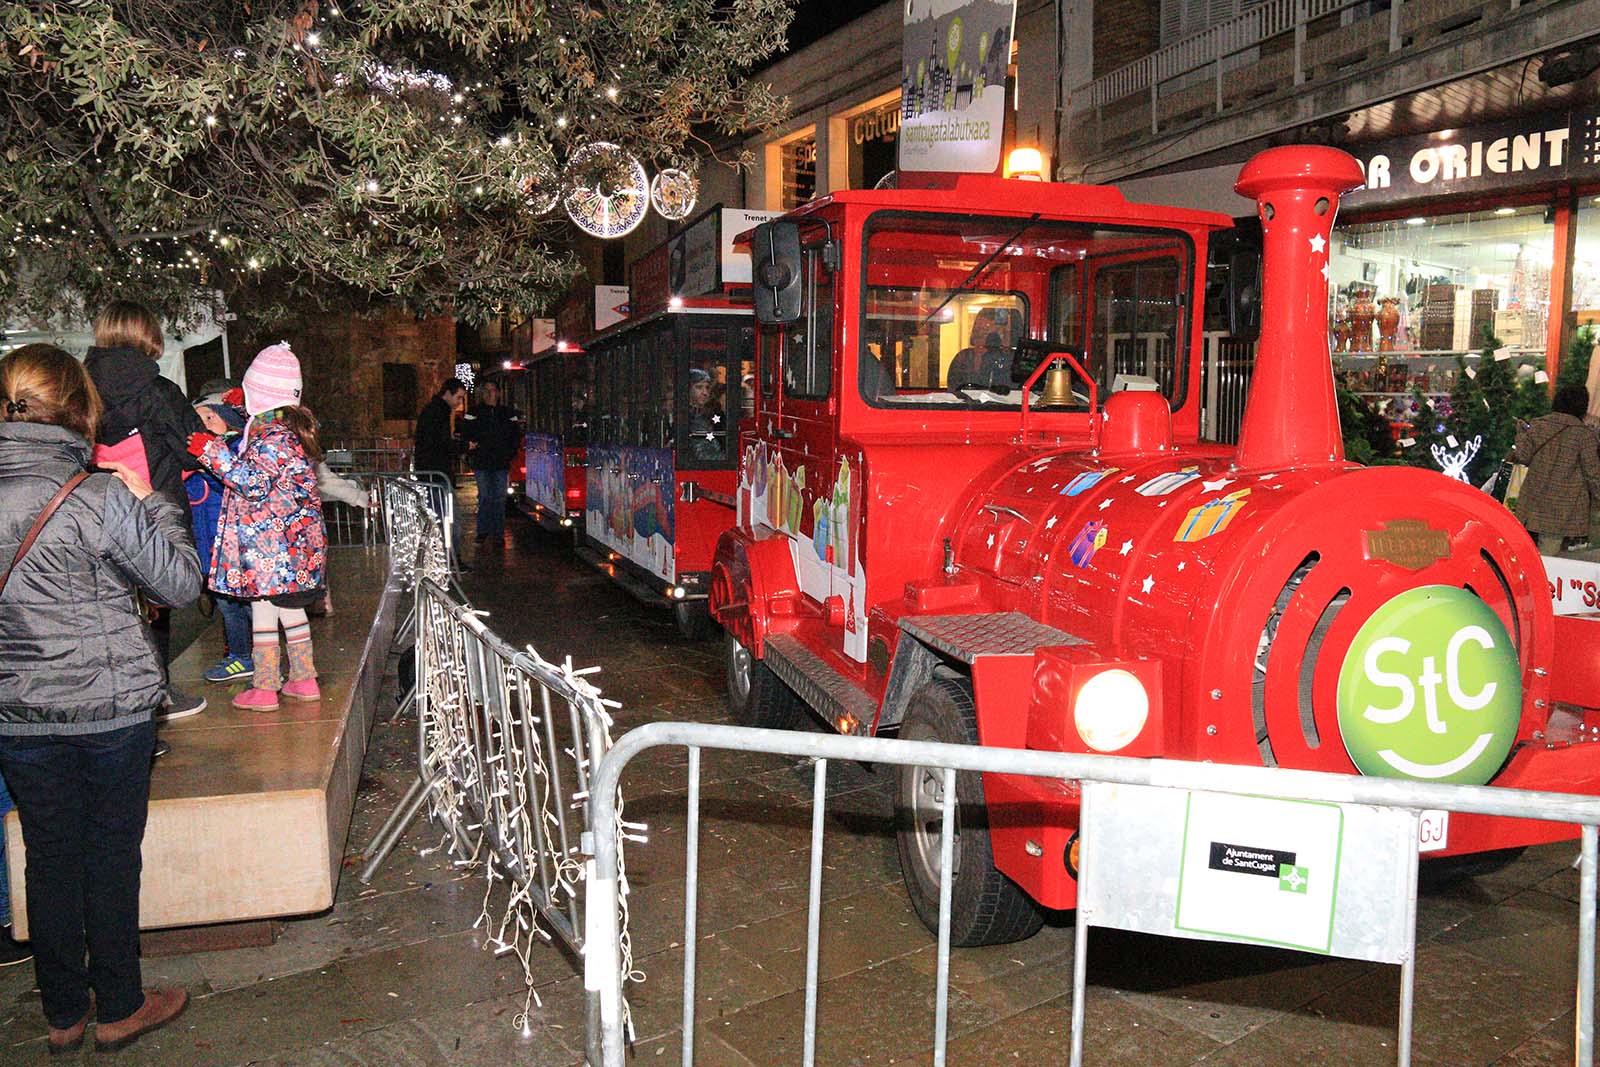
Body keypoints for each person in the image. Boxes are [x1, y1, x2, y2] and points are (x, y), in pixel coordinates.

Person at [0, 344, 198, 1053]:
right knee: (111, 856)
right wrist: (158, 506)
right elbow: (178, 584)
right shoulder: (102, 495)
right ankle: (119, 1002)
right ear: (79, 409)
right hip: (110, 710)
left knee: (48, 856)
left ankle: (61, 1012)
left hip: (18, 713)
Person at [85, 301, 207, 720]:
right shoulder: (158, 392)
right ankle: (157, 694)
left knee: (111, 604)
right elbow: (193, 450)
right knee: (158, 598)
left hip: (97, 513)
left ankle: (119, 697)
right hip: (152, 514)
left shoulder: (80, 389)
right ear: (148, 335)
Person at [188, 345, 327, 712]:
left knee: (268, 613)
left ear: (261, 396)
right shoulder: (285, 426)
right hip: (285, 548)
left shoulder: (273, 439)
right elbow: (259, 427)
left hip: (271, 549)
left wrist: (211, 452)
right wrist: (240, 405)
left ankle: (267, 687)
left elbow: (251, 481)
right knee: (281, 611)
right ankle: (301, 680)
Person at [189, 394, 256, 683]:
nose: (203, 424)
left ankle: (249, 656)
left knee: (242, 605)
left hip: (231, 542)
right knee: (228, 604)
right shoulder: (200, 453)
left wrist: (208, 458)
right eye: (198, 419)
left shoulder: (233, 450)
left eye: (209, 417)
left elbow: (232, 484)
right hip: (209, 541)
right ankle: (241, 653)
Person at [1512, 383, 1600, 555]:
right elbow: (1593, 475)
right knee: (1550, 559)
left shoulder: (1539, 425)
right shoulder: (1584, 436)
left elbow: (1523, 456)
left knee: (1524, 553)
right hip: (1563, 510)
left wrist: (1521, 434)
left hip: (1531, 504)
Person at [413, 377, 467, 561]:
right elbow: (440, 444)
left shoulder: (435, 411)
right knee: (449, 520)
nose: (459, 403)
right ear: (448, 393)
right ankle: (450, 560)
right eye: (458, 398)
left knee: (443, 519)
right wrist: (463, 446)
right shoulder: (437, 413)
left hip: (434, 473)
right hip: (436, 474)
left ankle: (447, 559)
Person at [462, 379, 522, 544]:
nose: (490, 394)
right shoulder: (473, 413)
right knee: (485, 496)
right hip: (481, 461)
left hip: (501, 462)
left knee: (499, 498)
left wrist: (509, 453)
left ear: (498, 393)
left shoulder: (508, 414)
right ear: (482, 394)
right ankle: (483, 531)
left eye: (493, 390)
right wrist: (472, 451)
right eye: (486, 390)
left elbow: (515, 436)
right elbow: (466, 433)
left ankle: (497, 533)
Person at [946, 331, 1012, 392]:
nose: (980, 342)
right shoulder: (963, 357)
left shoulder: (1004, 361)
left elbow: (1009, 391)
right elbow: (953, 387)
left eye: (985, 337)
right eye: (978, 336)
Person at [687, 367, 724, 461]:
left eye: (707, 388)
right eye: (699, 387)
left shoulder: (706, 415)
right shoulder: (687, 417)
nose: (705, 392)